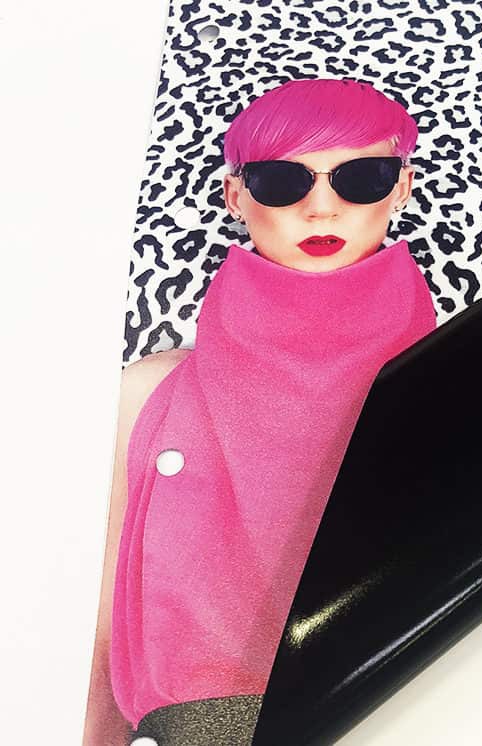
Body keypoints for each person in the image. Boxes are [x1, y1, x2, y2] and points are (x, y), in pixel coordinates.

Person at [83, 78, 437, 745]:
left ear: (402, 188)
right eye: (281, 181)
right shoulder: (151, 391)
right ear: (235, 196)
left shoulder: (466, 371)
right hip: (205, 728)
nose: (322, 208)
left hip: (429, 706)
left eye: (362, 178)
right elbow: (103, 611)